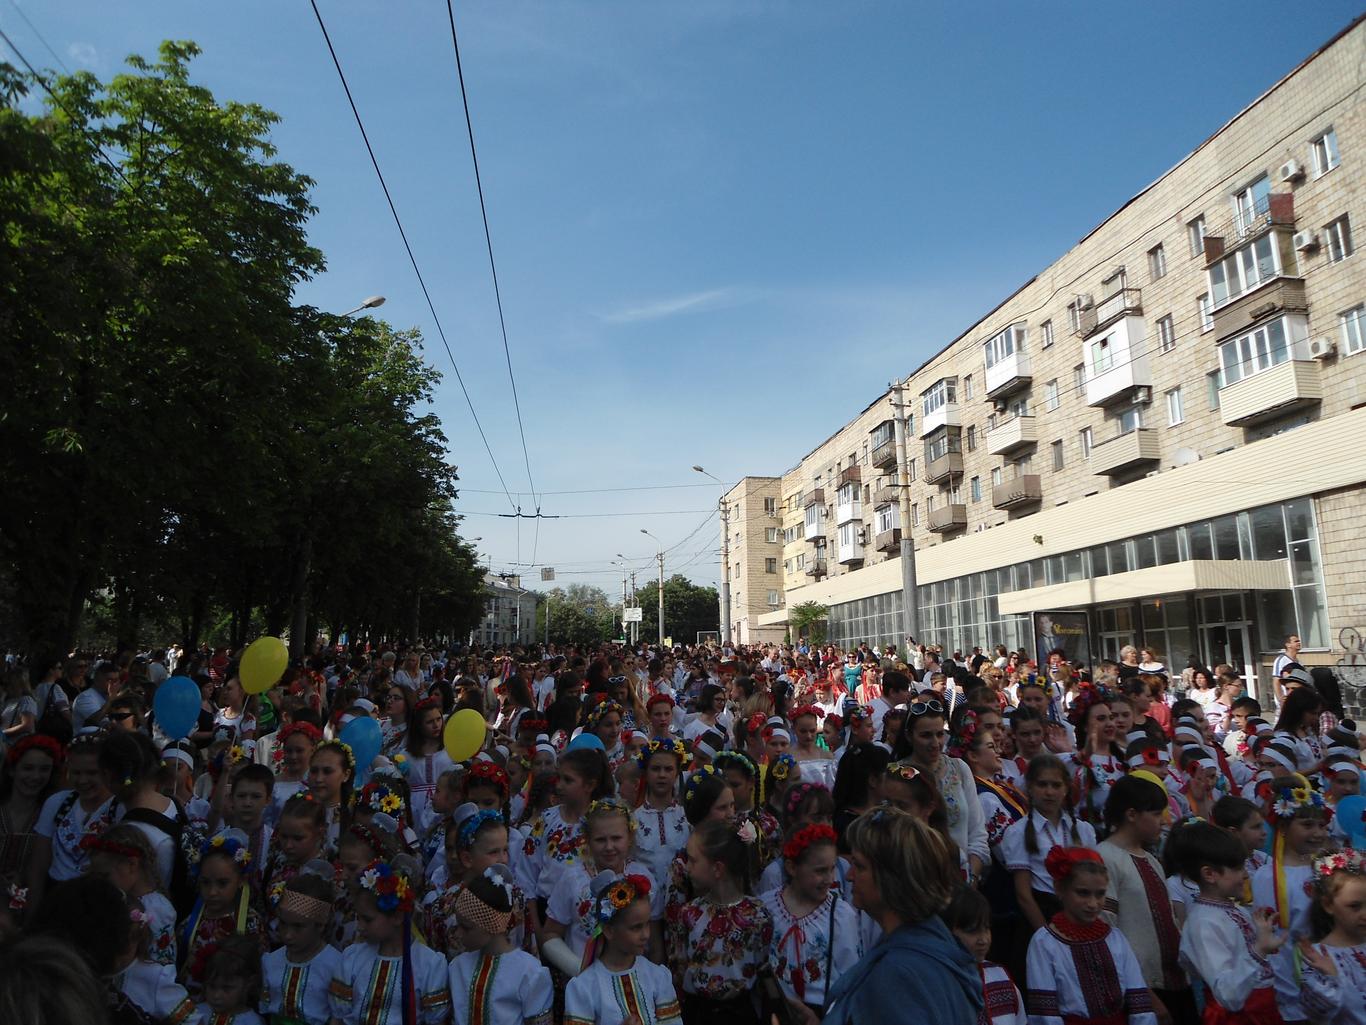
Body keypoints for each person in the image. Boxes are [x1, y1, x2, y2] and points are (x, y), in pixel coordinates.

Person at [822, 808, 981, 1025]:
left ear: (891, 878)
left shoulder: (899, 973)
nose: (849, 876)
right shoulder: (931, 945)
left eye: (859, 866)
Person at [1096, 775, 1194, 1025]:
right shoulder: (1105, 857)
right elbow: (1106, 931)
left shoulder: (1150, 860)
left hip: (1175, 981)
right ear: (1131, 814)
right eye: (1156, 813)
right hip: (1143, 986)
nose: (1164, 821)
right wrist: (1145, 996)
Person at [1025, 847, 1156, 1025]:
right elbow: (1045, 1013)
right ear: (1060, 889)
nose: (1093, 904)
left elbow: (1139, 1002)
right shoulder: (1045, 943)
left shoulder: (1115, 938)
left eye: (1100, 894)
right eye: (1083, 893)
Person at [1175, 821, 1284, 1025]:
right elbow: (1228, 994)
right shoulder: (1203, 923)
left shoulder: (1234, 909)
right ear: (1209, 874)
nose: (1245, 874)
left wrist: (1264, 934)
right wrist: (1259, 948)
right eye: (1237, 868)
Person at [669, 817, 772, 1025]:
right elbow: (678, 968)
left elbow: (764, 970)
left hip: (740, 1016)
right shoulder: (690, 913)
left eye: (693, 860)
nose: (687, 867)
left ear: (717, 868)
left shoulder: (757, 915)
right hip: (698, 1014)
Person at [326, 856, 450, 1025]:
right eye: (358, 918)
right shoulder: (352, 957)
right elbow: (338, 1020)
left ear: (397, 917)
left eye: (367, 919)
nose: (359, 926)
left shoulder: (429, 964)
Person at [760, 823, 862, 1016]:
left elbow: (850, 980)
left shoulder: (840, 915)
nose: (829, 878)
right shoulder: (766, 907)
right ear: (791, 867)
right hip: (776, 1010)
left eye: (832, 869)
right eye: (820, 871)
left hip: (822, 1014)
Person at [564, 871, 682, 1025]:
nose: (646, 935)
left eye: (647, 924)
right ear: (609, 930)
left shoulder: (656, 977)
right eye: (636, 928)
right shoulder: (585, 987)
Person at [1001, 754, 1095, 934]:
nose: (1049, 792)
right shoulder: (1019, 832)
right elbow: (1024, 895)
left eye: (1056, 785)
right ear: (1029, 787)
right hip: (1043, 915)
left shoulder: (1084, 830)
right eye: (1042, 785)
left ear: (1066, 788)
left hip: (1082, 912)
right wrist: (1046, 933)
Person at [447, 865, 553, 1025]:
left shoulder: (529, 972)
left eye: (466, 928)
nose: (458, 934)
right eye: (458, 926)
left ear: (491, 926)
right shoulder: (458, 967)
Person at [260, 871, 342, 1025]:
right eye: (283, 923)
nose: (288, 935)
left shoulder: (336, 966)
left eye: (298, 927)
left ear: (320, 925)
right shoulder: (270, 961)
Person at [1297, 848, 1366, 1025]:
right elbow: (1316, 1015)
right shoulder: (1319, 956)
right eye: (1355, 906)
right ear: (1328, 905)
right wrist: (1334, 979)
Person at [945, 885, 1024, 1025]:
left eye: (986, 928)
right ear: (949, 932)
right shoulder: (940, 981)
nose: (983, 940)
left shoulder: (1001, 976)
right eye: (972, 931)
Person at [195, 935, 264, 1024]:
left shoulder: (252, 1022)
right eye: (212, 986)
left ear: (249, 983)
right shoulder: (196, 1013)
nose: (216, 996)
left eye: (227, 988)